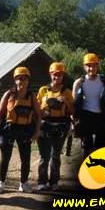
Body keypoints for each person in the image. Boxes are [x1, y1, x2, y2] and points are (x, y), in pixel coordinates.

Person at [0, 67, 41, 194]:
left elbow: (38, 114)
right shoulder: (9, 94)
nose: (21, 81)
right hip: (9, 129)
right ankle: (1, 182)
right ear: (15, 80)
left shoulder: (31, 96)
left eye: (24, 79)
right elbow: (0, 113)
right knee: (5, 157)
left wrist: (36, 132)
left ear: (28, 81)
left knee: (25, 158)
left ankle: (24, 183)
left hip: (25, 129)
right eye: (19, 79)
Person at [36, 62, 73, 191]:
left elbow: (73, 111)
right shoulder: (43, 90)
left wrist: (66, 102)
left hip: (61, 125)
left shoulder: (67, 92)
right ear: (50, 75)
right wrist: (42, 113)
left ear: (63, 76)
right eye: (54, 75)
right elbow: (36, 109)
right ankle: (42, 181)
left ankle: (54, 182)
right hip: (45, 125)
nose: (57, 77)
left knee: (55, 155)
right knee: (44, 156)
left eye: (59, 75)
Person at [72, 53, 105, 159]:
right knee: (87, 149)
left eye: (94, 65)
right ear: (84, 66)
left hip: (102, 116)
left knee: (102, 148)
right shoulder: (79, 82)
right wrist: (73, 122)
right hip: (86, 116)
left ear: (98, 66)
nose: (92, 68)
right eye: (89, 65)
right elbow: (73, 104)